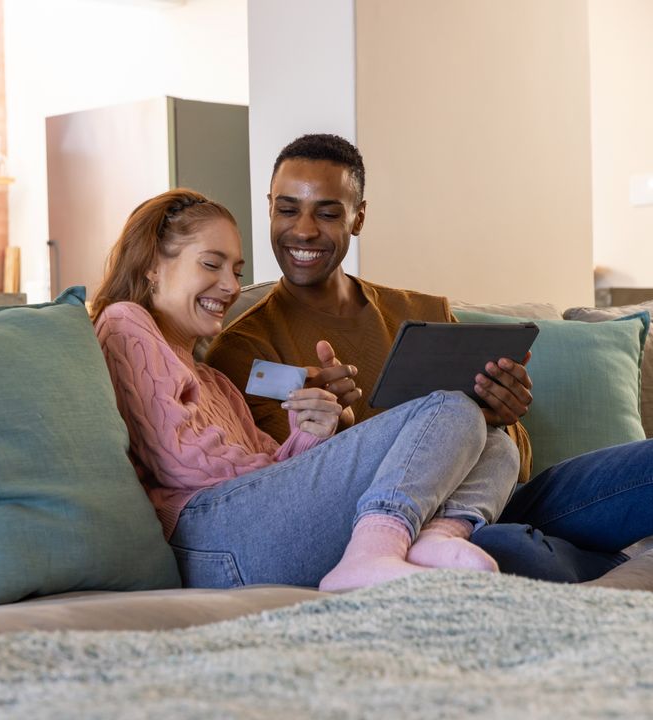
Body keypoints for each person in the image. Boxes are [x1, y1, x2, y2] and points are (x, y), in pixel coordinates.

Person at [206, 133, 653, 583]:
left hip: (487, 501)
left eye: (327, 213)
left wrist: (504, 416)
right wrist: (332, 431)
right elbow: (288, 492)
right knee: (513, 549)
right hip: (386, 529)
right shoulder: (242, 349)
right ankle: (604, 564)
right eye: (287, 209)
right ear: (268, 207)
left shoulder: (421, 313)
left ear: (358, 218)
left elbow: (511, 454)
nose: (303, 229)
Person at [90, 188, 520, 592]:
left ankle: (434, 537)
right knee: (451, 408)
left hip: (249, 523)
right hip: (207, 538)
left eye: (236, 271)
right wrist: (296, 471)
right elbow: (182, 462)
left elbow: (270, 467)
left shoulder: (213, 380)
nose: (229, 286)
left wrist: (311, 434)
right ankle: (373, 552)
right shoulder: (127, 322)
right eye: (211, 264)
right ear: (152, 266)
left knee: (497, 442)